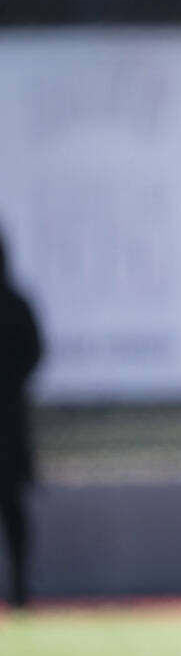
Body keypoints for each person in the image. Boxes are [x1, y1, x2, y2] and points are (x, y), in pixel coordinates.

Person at [0, 232, 43, 610]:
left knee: (12, 509)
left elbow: (35, 353)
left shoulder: (16, 305)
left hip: (8, 426)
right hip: (11, 422)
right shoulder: (18, 304)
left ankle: (19, 585)